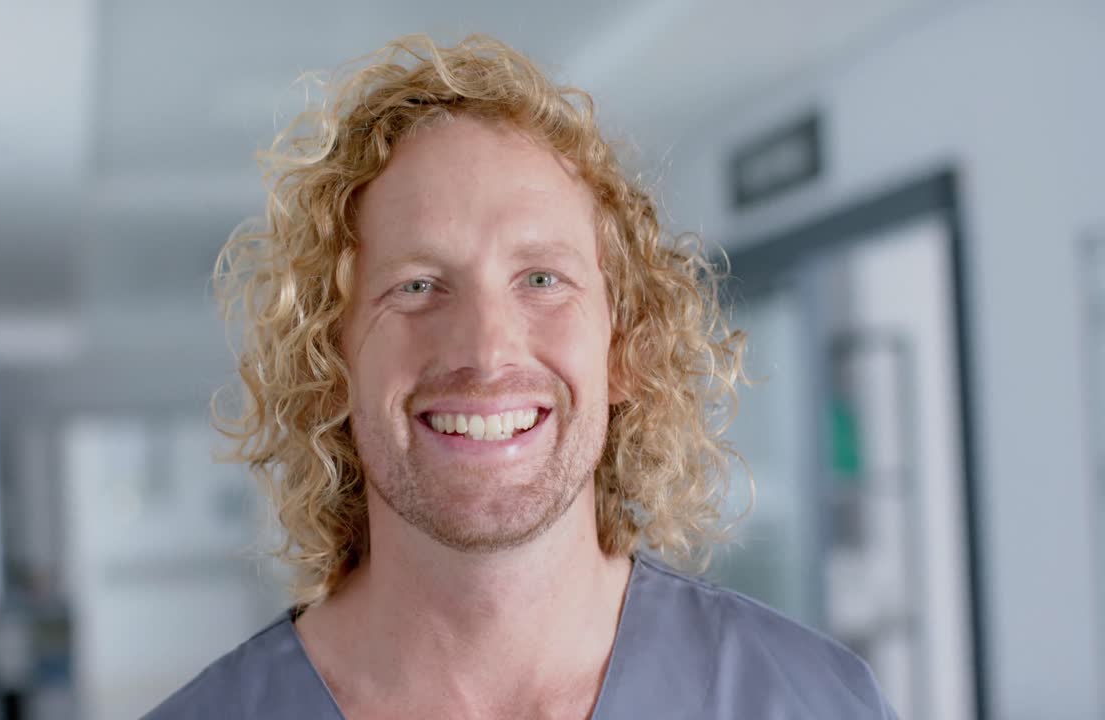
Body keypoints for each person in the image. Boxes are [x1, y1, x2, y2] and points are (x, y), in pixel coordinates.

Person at [146, 33, 896, 719]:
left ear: (625, 346)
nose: (486, 348)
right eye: (416, 285)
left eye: (541, 279)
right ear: (331, 363)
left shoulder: (812, 701)